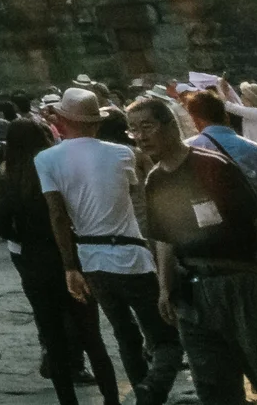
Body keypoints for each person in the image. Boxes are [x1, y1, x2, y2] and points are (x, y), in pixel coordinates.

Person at [130, 95, 257, 405]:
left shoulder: (212, 166)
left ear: (170, 126)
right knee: (213, 387)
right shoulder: (155, 181)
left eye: (147, 127)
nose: (140, 137)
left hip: (243, 285)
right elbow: (164, 240)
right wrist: (165, 288)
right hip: (194, 293)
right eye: (133, 130)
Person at [40, 87, 182, 405]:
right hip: (133, 255)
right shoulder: (122, 154)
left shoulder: (46, 159)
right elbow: (142, 207)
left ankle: (144, 390)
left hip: (91, 259)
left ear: (62, 120)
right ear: (96, 122)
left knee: (124, 334)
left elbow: (58, 216)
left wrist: (70, 267)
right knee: (165, 337)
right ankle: (151, 389)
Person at [0, 117, 116, 405]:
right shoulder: (61, 169)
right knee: (91, 335)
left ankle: (67, 400)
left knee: (52, 337)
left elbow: (1, 226)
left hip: (34, 261)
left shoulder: (8, 180)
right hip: (71, 256)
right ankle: (111, 398)